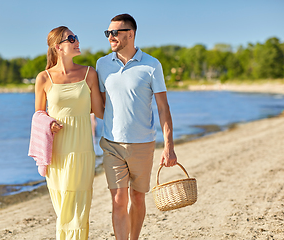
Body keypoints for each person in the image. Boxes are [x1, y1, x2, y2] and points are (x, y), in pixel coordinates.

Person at [96, 14, 177, 240]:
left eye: (115, 32)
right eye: (108, 33)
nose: (110, 37)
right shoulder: (102, 65)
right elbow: (100, 104)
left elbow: (163, 107)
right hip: (111, 143)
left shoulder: (152, 65)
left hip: (143, 144)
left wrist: (168, 146)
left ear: (130, 34)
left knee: (138, 198)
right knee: (118, 199)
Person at [34, 26, 103, 239]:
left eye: (76, 37)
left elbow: (99, 110)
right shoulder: (44, 78)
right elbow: (38, 114)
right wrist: (48, 123)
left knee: (79, 205)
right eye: (71, 38)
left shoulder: (90, 73)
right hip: (57, 152)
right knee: (62, 204)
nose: (76, 41)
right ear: (58, 47)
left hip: (82, 149)